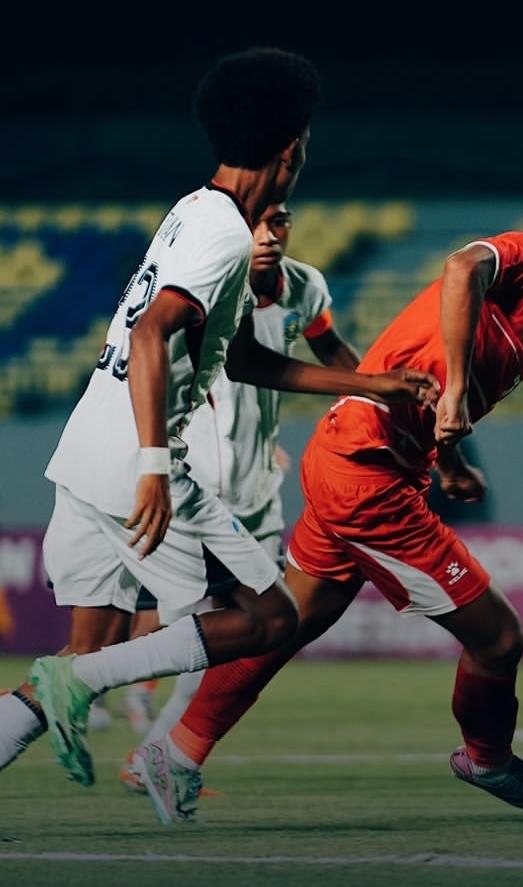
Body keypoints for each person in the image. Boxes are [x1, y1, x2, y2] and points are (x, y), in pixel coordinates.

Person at [125, 182, 523, 825]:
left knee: (286, 623)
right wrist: (452, 400)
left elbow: (432, 381)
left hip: (357, 457)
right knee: (500, 639)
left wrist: (448, 459)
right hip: (366, 475)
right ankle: (487, 758)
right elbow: (462, 268)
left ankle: (173, 754)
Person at [0, 46, 439, 792]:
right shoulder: (226, 234)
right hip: (138, 461)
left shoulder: (194, 211)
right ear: (292, 148)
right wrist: (152, 469)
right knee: (271, 618)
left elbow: (239, 359)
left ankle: (63, 691)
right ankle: (95, 701)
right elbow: (150, 333)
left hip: (84, 452)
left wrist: (369, 381)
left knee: (85, 656)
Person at [117, 200, 363, 792]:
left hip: (257, 492)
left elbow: (335, 356)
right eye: (256, 223)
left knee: (238, 633)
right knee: (190, 633)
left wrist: (377, 396)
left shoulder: (306, 288)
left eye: (278, 222)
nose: (267, 235)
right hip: (194, 484)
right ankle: (122, 731)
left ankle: (155, 755)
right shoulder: (208, 282)